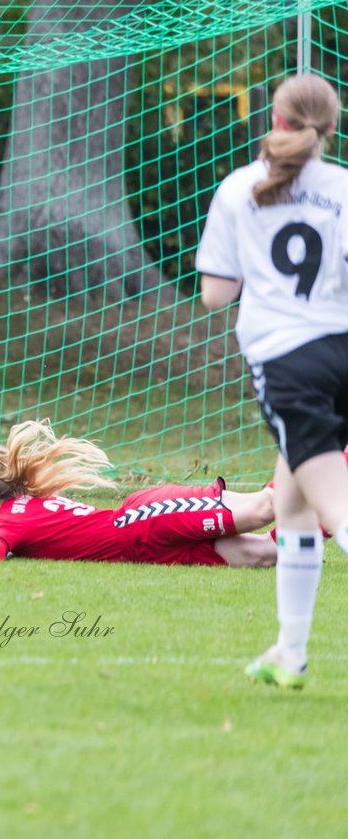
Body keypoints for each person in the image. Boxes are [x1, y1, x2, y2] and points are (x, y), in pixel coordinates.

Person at [197, 72, 348, 689]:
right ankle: (290, 650)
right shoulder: (343, 186)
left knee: (334, 509)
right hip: (341, 351)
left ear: (276, 119)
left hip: (288, 364)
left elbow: (215, 295)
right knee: (291, 505)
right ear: (327, 128)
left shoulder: (239, 188)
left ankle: (290, 650)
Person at [0, 419, 277, 568]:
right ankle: (322, 517)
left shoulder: (11, 522)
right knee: (268, 554)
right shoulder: (26, 506)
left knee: (264, 508)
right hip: (142, 549)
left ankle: (322, 468)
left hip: (145, 522)